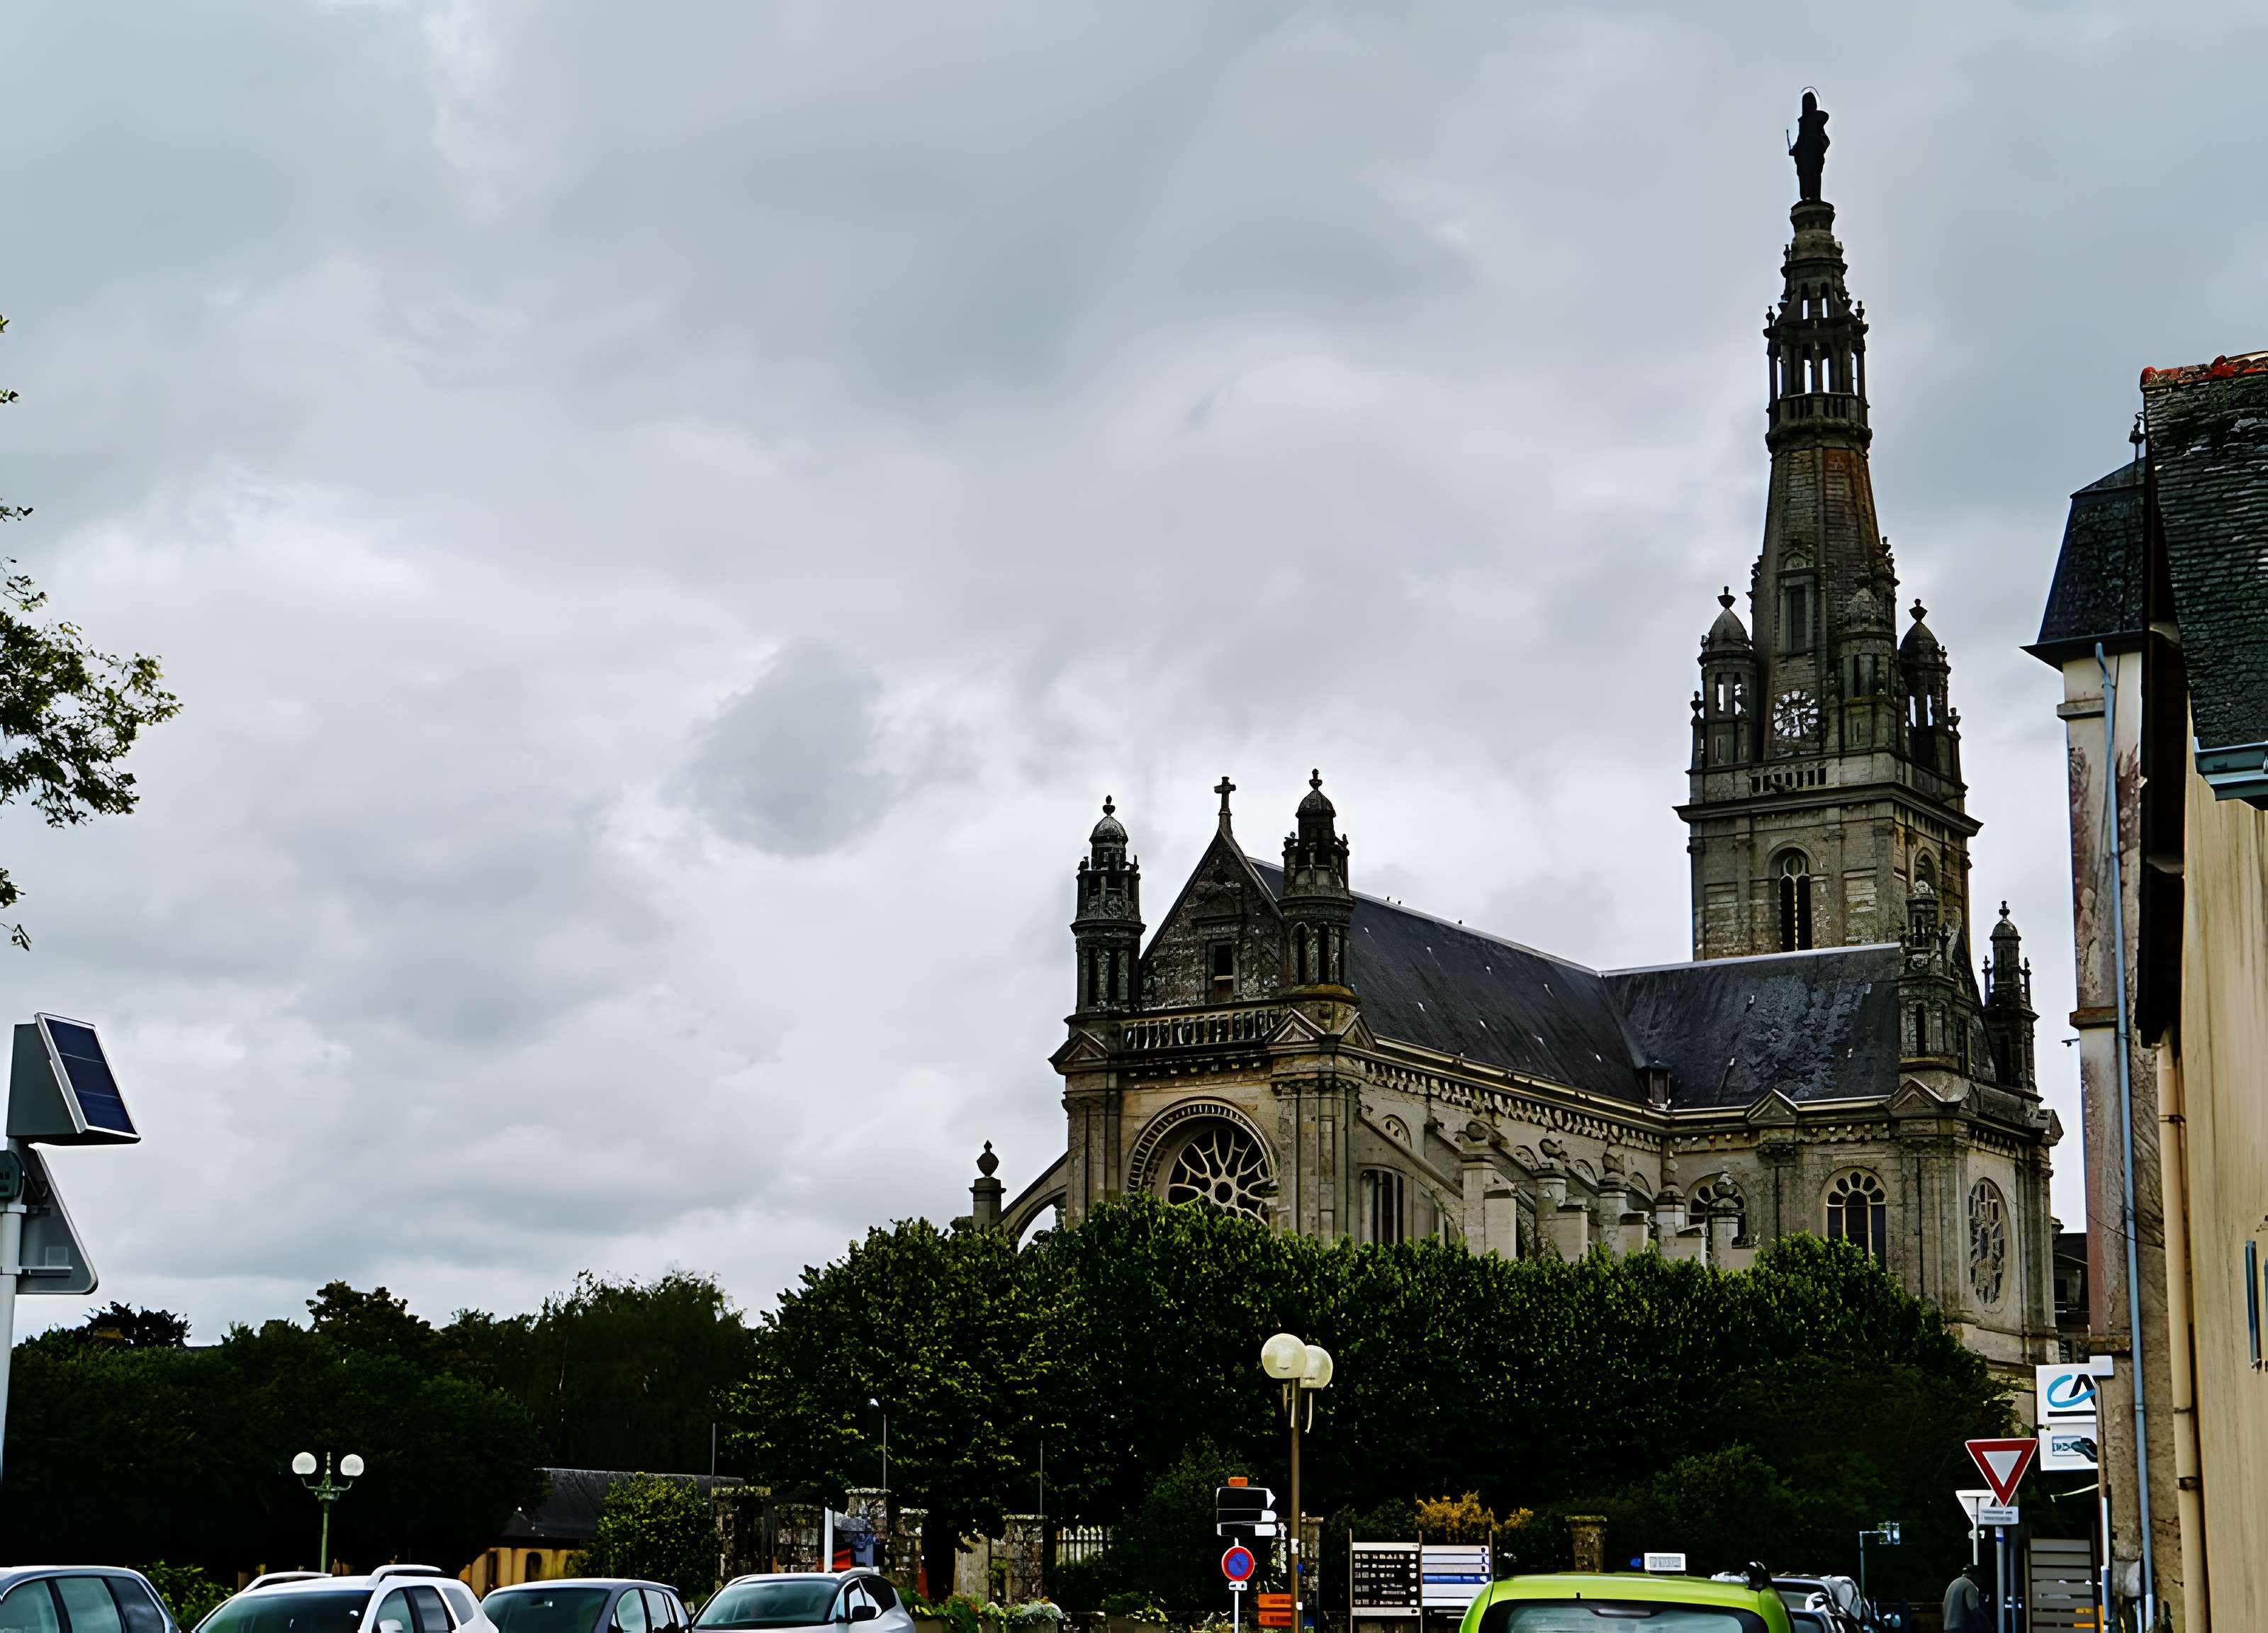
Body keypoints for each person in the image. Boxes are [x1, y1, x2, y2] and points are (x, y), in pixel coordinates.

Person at [1941, 1562, 1990, 1632]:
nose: (1981, 1581)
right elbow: (1975, 1609)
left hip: (1948, 1628)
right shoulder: (1970, 1585)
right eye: (1980, 1577)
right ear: (1975, 1575)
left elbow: (1944, 1607)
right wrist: (1988, 1625)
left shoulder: (1953, 1584)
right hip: (1960, 1629)